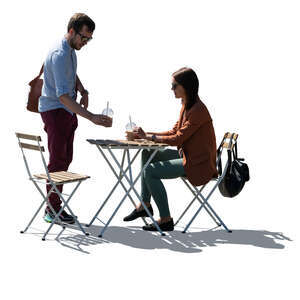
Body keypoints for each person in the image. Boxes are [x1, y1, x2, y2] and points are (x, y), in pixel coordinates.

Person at [123, 67, 218, 231]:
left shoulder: (198, 111)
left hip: (199, 164)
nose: (171, 89)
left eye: (174, 85)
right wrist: (145, 134)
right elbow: (174, 132)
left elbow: (177, 139)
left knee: (150, 171)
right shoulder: (187, 106)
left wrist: (149, 137)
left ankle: (166, 219)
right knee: (148, 152)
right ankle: (144, 205)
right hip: (190, 156)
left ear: (186, 86)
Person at [39, 13, 112, 224]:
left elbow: (69, 75)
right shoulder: (60, 54)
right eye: (84, 37)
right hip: (56, 111)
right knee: (58, 162)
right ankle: (52, 210)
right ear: (72, 31)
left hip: (66, 112)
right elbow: (62, 95)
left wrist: (82, 89)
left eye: (89, 39)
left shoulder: (70, 50)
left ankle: (54, 207)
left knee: (65, 159)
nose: (86, 43)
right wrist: (92, 117)